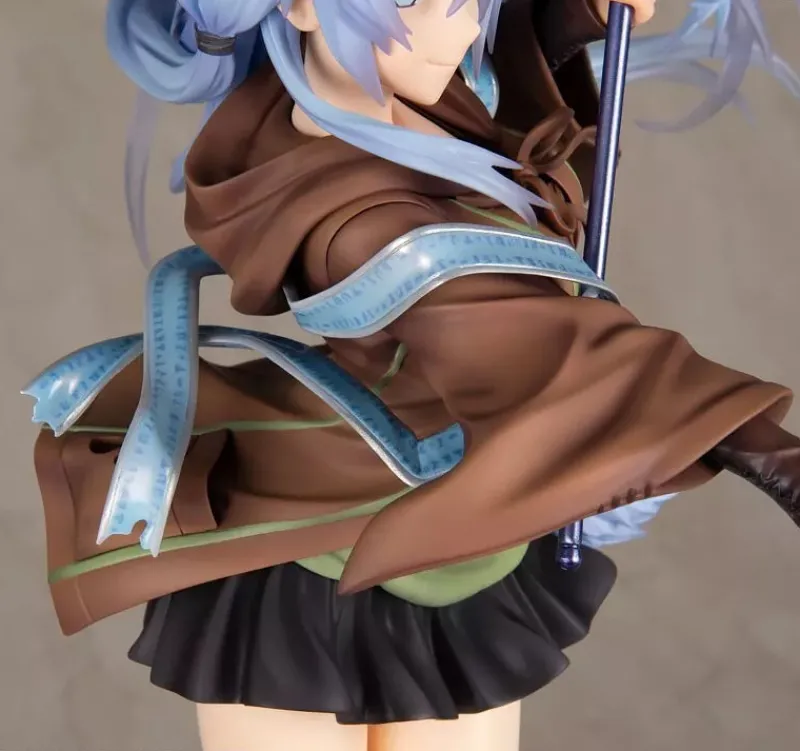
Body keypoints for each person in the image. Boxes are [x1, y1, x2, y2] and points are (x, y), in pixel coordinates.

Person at [24, 2, 800, 750]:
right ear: (302, 6)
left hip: (454, 535)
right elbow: (532, 340)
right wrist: (768, 454)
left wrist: (574, 15)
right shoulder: (351, 213)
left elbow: (522, 102)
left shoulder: (424, 99)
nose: (452, 30)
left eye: (467, 3)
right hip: (309, 557)